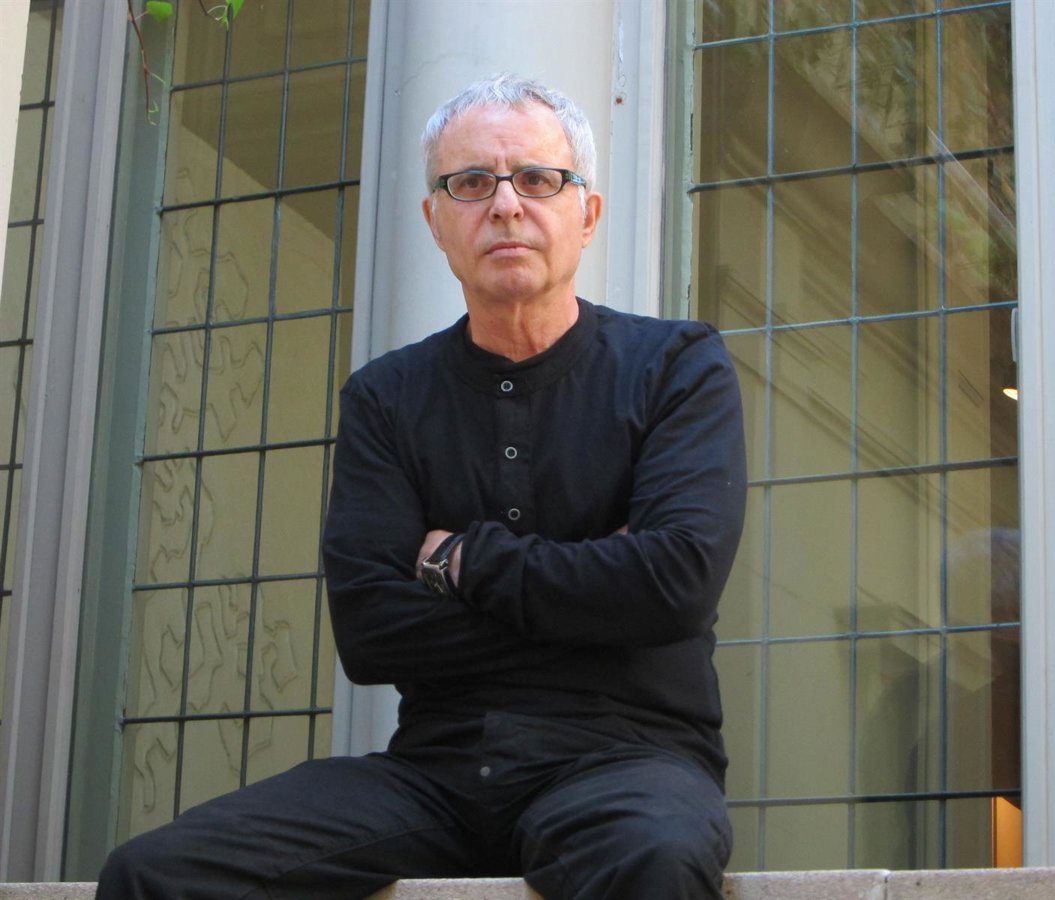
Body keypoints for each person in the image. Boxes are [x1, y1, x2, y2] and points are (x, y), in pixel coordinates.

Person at [97, 73, 747, 900]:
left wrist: (463, 561)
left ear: (586, 214)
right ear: (436, 220)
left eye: (537, 179)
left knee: (653, 856)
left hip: (628, 764)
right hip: (437, 770)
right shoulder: (387, 397)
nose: (505, 206)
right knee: (154, 874)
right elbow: (371, 633)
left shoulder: (676, 367)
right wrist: (603, 599)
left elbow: (676, 582)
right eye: (471, 183)